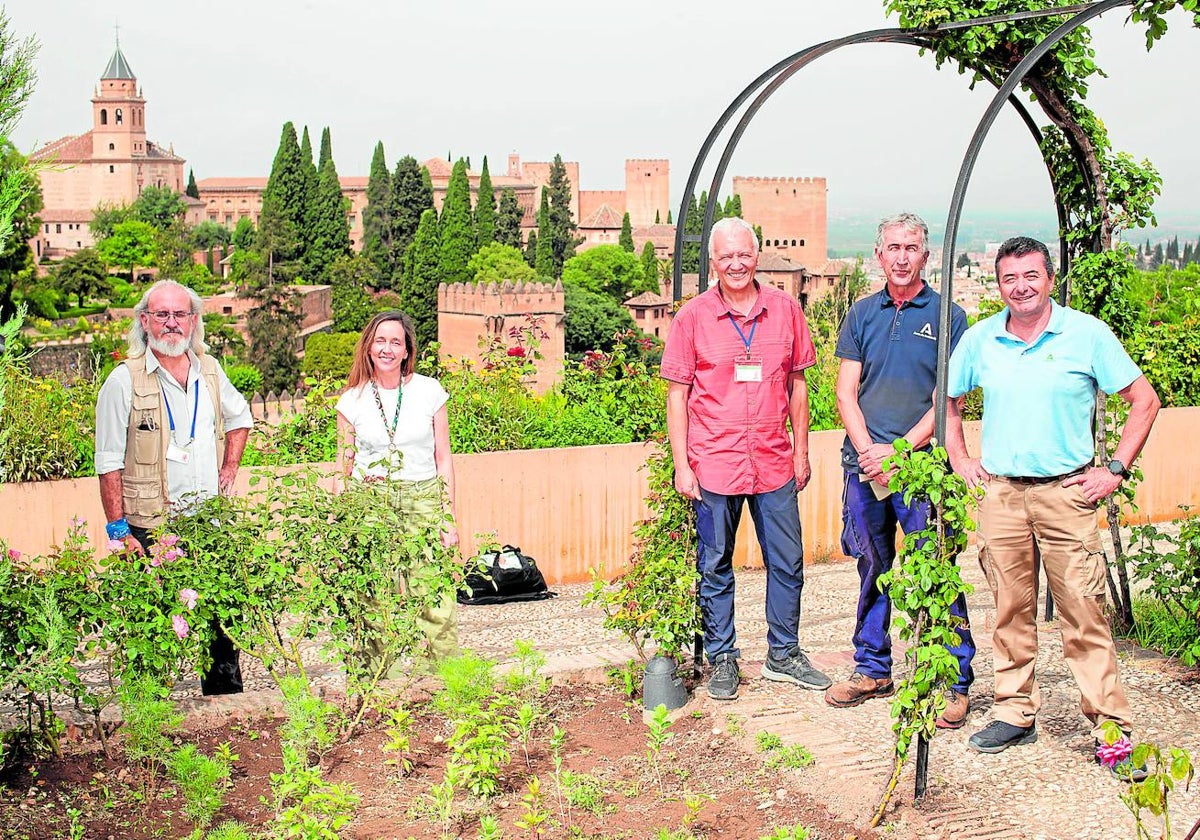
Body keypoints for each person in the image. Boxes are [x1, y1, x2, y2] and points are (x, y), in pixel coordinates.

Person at [946, 236, 1160, 772]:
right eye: (1009, 279)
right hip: (1002, 494)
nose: (1020, 287)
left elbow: (1144, 400)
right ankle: (1015, 712)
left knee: (1084, 612)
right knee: (1009, 609)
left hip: (1068, 493)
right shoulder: (980, 340)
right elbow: (946, 400)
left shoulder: (1085, 334)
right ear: (999, 284)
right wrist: (959, 456)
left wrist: (1114, 470)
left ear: (1050, 278)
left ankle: (1111, 729)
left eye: (1031, 276)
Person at [660, 215, 830, 700]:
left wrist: (802, 450)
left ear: (756, 256)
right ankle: (723, 658)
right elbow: (677, 395)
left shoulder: (784, 310)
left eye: (743, 254)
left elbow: (798, 384)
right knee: (714, 564)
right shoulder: (692, 317)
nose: (736, 264)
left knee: (788, 560)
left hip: (774, 461)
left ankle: (784, 653)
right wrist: (681, 463)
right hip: (714, 462)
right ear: (713, 263)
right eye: (726, 257)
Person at [824, 212, 976, 729]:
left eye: (911, 247)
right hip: (864, 466)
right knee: (873, 566)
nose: (902, 256)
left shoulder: (949, 316)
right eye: (893, 247)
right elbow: (846, 391)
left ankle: (953, 680)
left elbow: (947, 398)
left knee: (938, 570)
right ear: (878, 254)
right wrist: (870, 452)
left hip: (924, 469)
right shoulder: (862, 314)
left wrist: (901, 452)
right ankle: (872, 667)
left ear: (926, 257)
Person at [95, 279, 253, 695]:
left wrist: (230, 468)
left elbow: (241, 419)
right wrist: (118, 530)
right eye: (161, 314)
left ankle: (225, 712)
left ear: (194, 321)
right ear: (144, 321)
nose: (171, 323)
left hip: (208, 526)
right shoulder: (123, 381)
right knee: (150, 630)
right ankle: (150, 720)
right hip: (150, 526)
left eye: (179, 314)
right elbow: (108, 461)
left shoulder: (211, 371)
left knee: (221, 628)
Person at [335, 311, 459, 672]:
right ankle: (374, 684)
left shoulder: (429, 392)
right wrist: (340, 522)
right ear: (369, 347)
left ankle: (447, 681)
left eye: (395, 342)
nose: (387, 349)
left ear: (407, 351)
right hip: (370, 503)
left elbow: (444, 459)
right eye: (380, 341)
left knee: (434, 598)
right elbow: (343, 465)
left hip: (422, 498)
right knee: (372, 596)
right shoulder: (352, 400)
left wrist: (448, 518)